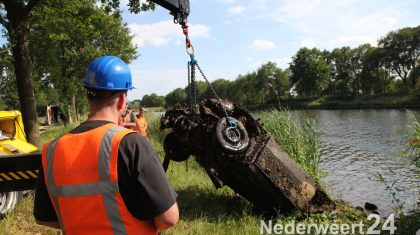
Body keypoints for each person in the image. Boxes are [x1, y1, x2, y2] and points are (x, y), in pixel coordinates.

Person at [34, 56, 179, 234]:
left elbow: (45, 217)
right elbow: (168, 218)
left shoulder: (51, 150)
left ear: (87, 95)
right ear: (122, 100)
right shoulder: (131, 144)